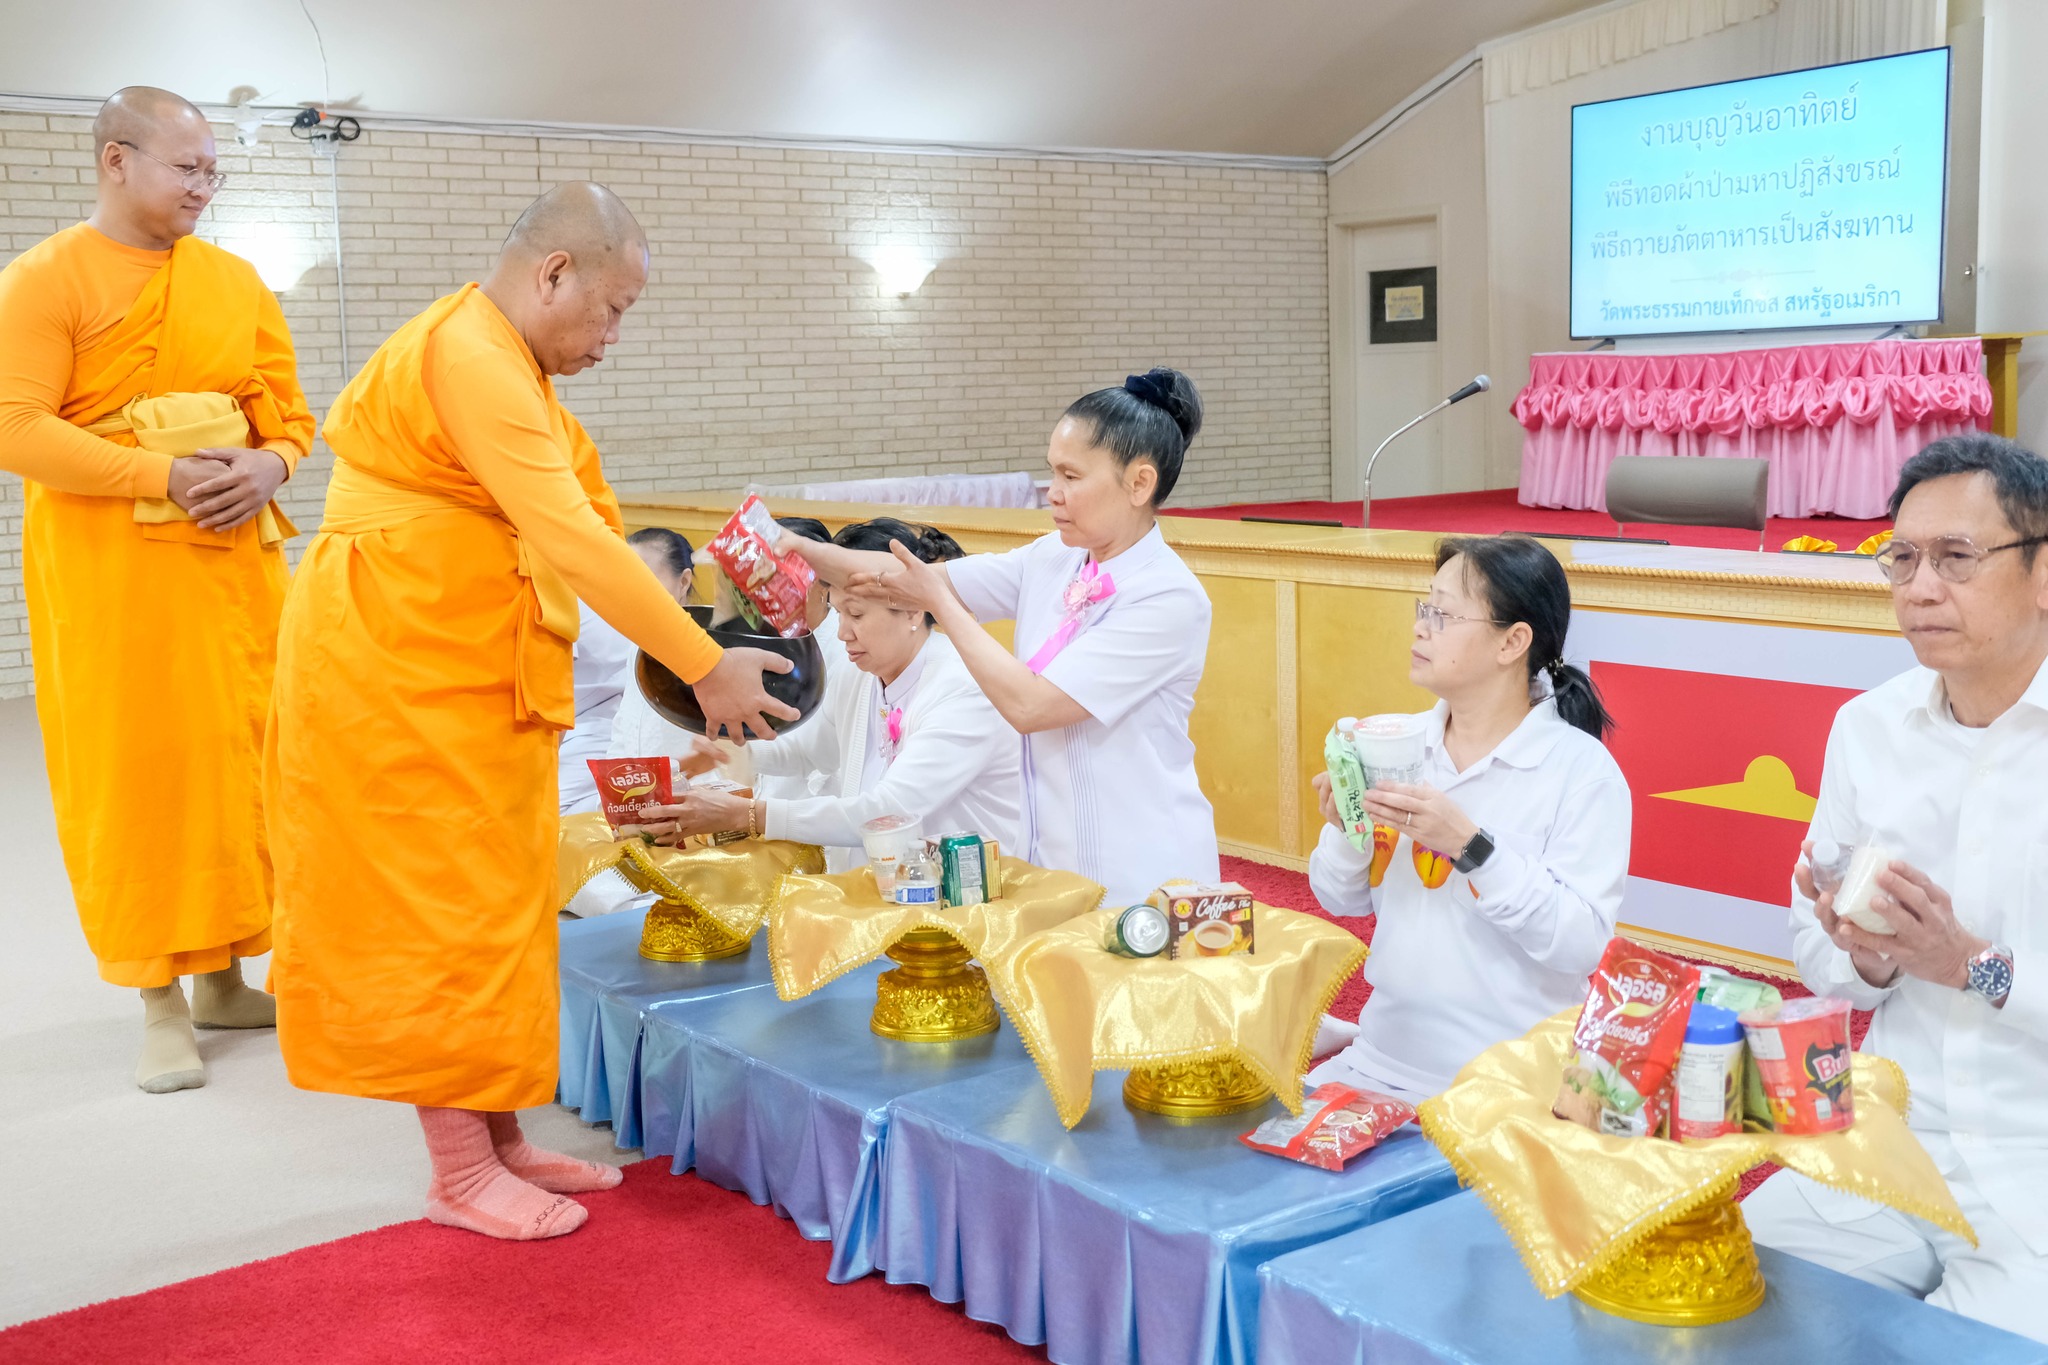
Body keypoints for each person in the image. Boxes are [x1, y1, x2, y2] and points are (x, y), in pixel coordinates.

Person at [265, 182, 796, 1242]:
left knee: (499, 896)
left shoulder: (514, 369)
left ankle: (500, 1136)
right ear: (552, 272)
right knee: (438, 910)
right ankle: (457, 1172)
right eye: (609, 309)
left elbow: (597, 520)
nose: (611, 335)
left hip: (465, 664)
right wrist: (700, 666)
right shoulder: (470, 356)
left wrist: (730, 614)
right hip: (398, 667)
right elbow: (575, 538)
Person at [0, 87, 314, 1092]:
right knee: (139, 772)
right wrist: (159, 473)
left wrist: (269, 468)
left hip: (232, 567)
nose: (203, 188)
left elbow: (289, 417)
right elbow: (16, 426)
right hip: (112, 574)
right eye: (188, 169)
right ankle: (157, 998)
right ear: (115, 160)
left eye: (213, 172)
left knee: (240, 759)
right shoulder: (47, 278)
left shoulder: (233, 280)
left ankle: (225, 971)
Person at [1744, 434, 2048, 1344]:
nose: (1920, 587)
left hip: (2034, 1157)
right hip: (1892, 1129)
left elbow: (1973, 970)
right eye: (1902, 558)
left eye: (1957, 558)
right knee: (1727, 1308)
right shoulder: (1868, 727)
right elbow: (1814, 942)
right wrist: (1865, 959)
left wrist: (1976, 966)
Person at [789, 370, 1215, 905]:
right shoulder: (1053, 556)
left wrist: (938, 600)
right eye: (1051, 473)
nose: (1052, 494)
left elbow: (1031, 704)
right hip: (1050, 856)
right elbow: (899, 579)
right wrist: (793, 546)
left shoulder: (1168, 597)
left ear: (1139, 483)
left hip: (1142, 864)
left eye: (1071, 476)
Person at [1305, 535, 1630, 1101]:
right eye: (1423, 607)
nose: (1420, 628)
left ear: (1513, 642)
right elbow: (1339, 899)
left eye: (1444, 614)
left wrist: (1472, 847)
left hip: (1511, 1084)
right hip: (1381, 1058)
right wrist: (1347, 827)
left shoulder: (1581, 771)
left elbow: (1580, 944)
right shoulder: (1395, 743)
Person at [634, 518, 1022, 867]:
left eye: (856, 615)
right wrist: (736, 749)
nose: (842, 633)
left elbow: (887, 811)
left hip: (962, 900)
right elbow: (810, 752)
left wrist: (747, 815)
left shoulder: (965, 688)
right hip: (878, 888)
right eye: (838, 613)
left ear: (912, 610)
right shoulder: (862, 675)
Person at [557, 526, 697, 816]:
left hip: (670, 763)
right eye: (625, 578)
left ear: (683, 582)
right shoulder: (610, 612)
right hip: (598, 738)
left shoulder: (702, 642)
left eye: (644, 579)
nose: (632, 590)